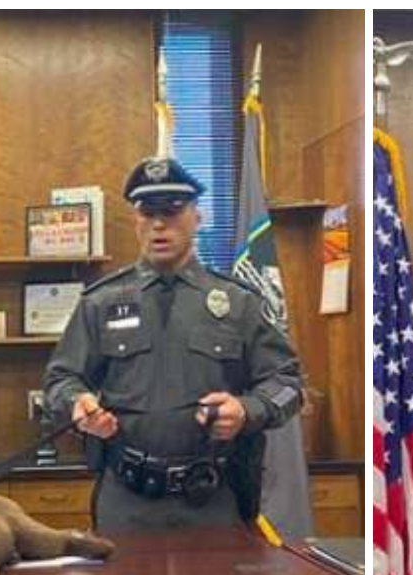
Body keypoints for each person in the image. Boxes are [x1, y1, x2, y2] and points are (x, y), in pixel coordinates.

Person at [42, 156, 303, 531]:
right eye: (148, 213)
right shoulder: (100, 302)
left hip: (213, 500)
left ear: (197, 217)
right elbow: (60, 381)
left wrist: (247, 410)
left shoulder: (238, 302)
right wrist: (77, 405)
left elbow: (288, 385)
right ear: (135, 220)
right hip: (125, 501)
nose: (159, 224)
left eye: (172, 210)